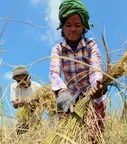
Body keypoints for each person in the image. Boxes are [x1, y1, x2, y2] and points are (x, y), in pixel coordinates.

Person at [49, 0, 108, 141]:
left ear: (84, 27)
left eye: (77, 25)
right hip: (69, 98)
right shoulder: (58, 49)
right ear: (62, 27)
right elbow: (54, 73)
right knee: (67, 135)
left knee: (93, 135)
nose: (73, 29)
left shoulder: (90, 45)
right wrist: (62, 92)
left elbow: (95, 70)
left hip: (91, 95)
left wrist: (97, 86)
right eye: (68, 25)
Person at [10, 65, 41, 135]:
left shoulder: (37, 86)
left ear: (29, 77)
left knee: (35, 132)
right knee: (19, 132)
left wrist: (33, 101)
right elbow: (15, 104)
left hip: (35, 114)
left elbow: (42, 103)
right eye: (18, 81)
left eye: (24, 79)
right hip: (22, 115)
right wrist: (24, 101)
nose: (22, 82)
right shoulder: (14, 86)